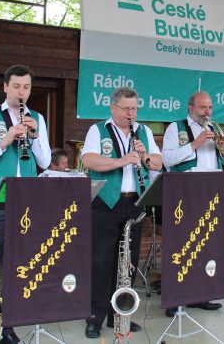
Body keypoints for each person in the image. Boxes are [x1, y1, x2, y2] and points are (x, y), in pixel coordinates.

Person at [0, 64, 51, 344]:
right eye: (16, 86)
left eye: (26, 87)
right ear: (5, 87)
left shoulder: (36, 118)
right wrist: (4, 141)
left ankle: (8, 328)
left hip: (25, 200)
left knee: (19, 267)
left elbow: (45, 162)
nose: (21, 92)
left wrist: (34, 136)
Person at [82, 87, 163, 339]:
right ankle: (94, 317)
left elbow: (158, 163)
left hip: (134, 203)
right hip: (105, 204)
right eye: (126, 108)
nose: (131, 113)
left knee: (126, 263)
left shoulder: (144, 131)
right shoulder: (98, 130)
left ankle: (120, 315)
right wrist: (121, 161)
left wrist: (144, 156)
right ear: (113, 107)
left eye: (134, 108)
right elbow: (90, 160)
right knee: (100, 262)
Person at [162, 91, 224, 317]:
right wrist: (194, 144)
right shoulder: (176, 127)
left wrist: (223, 148)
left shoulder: (216, 129)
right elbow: (166, 159)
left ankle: (200, 294)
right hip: (184, 194)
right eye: (203, 107)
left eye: (210, 107)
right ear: (191, 108)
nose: (207, 112)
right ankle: (175, 299)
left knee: (206, 244)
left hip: (212, 193)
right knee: (181, 246)